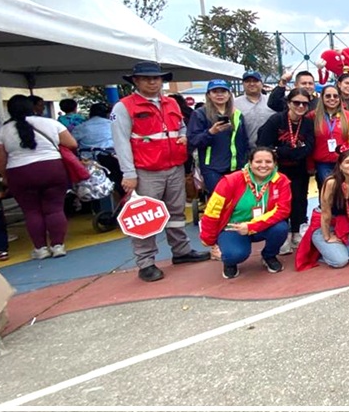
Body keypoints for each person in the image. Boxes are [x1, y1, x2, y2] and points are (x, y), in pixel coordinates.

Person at [110, 61, 210, 281]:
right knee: (144, 216)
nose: (153, 82)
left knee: (175, 213)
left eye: (156, 78)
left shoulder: (171, 104)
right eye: (147, 78)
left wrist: (183, 136)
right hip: (146, 171)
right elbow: (121, 142)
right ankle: (146, 262)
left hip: (174, 167)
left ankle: (181, 251)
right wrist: (129, 174)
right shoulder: (124, 107)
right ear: (135, 81)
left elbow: (180, 126)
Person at [198, 146, 291, 279]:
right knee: (235, 254)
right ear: (250, 163)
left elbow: (283, 210)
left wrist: (250, 227)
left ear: (275, 164)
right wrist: (210, 242)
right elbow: (212, 212)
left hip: (259, 227)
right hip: (233, 228)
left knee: (281, 228)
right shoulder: (230, 181)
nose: (263, 166)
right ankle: (230, 262)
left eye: (268, 162)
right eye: (258, 162)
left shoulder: (281, 181)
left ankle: (269, 256)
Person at [256, 88, 315, 255]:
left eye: (304, 103)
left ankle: (297, 232)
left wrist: (282, 150)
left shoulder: (308, 123)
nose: (301, 106)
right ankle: (282, 235)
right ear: (289, 103)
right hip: (278, 170)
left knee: (299, 200)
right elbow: (264, 145)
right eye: (297, 102)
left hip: (299, 168)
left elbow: (309, 147)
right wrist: (288, 151)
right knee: (280, 202)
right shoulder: (276, 120)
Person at [297, 149, 349, 269]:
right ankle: (322, 248)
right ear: (340, 165)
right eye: (348, 162)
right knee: (340, 261)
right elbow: (325, 212)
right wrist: (327, 236)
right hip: (325, 223)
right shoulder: (331, 182)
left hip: (347, 221)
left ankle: (337, 248)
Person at [187, 79, 250, 197]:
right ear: (209, 95)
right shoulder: (200, 114)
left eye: (223, 91)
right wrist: (211, 132)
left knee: (237, 201)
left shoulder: (237, 114)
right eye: (215, 91)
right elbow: (193, 140)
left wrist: (247, 161)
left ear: (229, 94)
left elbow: (244, 141)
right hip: (213, 168)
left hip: (237, 166)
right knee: (220, 202)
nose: (220, 94)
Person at [312, 84, 349, 187]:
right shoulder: (313, 116)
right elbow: (310, 142)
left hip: (344, 161)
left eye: (335, 96)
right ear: (322, 98)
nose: (332, 99)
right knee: (329, 192)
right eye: (328, 96)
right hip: (323, 163)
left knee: (344, 193)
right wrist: (310, 165)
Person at [72, 102, 121, 189]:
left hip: (89, 162)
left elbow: (71, 143)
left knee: (89, 186)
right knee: (118, 183)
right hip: (111, 158)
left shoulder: (81, 127)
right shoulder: (113, 124)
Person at [233, 71, 274, 146]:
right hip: (246, 150)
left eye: (255, 81)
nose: (251, 84)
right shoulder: (234, 104)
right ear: (243, 84)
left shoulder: (272, 102)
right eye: (247, 81)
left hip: (270, 149)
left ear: (261, 83)